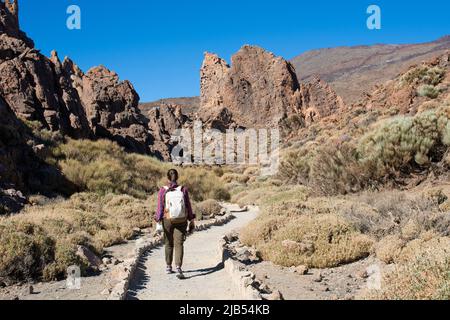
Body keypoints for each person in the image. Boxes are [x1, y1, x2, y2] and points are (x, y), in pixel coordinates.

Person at [155, 169, 195, 279]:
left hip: (167, 219)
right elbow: (188, 206)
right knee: (179, 244)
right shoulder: (183, 189)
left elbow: (160, 207)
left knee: (168, 243)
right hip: (181, 220)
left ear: (168, 178)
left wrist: (158, 219)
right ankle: (178, 267)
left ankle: (168, 266)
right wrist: (191, 220)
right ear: (177, 177)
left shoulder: (163, 190)